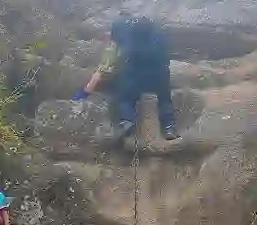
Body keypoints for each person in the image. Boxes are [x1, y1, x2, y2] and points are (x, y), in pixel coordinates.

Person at [74, 15, 179, 143]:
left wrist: (82, 95)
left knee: (124, 98)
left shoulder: (123, 30)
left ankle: (127, 121)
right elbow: (166, 56)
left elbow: (107, 62)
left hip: (135, 76)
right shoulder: (158, 32)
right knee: (165, 100)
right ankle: (170, 127)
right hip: (159, 75)